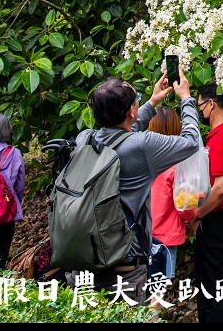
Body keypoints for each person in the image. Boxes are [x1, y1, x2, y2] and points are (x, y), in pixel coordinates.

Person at [65, 65, 201, 305]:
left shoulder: (85, 139)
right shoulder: (142, 146)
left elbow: (120, 136)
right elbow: (190, 142)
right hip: (124, 264)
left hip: (83, 258)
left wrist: (151, 103)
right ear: (130, 111)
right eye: (136, 100)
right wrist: (186, 99)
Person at [189, 83, 223, 324]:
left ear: (211, 103)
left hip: (218, 221)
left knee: (212, 288)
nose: (200, 112)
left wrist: (198, 214)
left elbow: (220, 188)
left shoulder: (221, 138)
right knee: (219, 282)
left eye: (200, 106)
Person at [147, 105, 198, 281]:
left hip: (142, 234)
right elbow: (184, 205)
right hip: (166, 237)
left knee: (144, 285)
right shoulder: (177, 164)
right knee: (159, 290)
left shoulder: (143, 160)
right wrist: (194, 217)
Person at [0, 114, 25, 271]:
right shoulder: (14, 153)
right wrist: (15, 203)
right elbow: (19, 185)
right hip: (4, 212)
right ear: (7, 131)